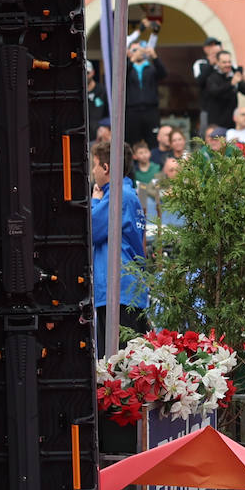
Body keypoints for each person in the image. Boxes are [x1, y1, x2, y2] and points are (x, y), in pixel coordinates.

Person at [90, 140, 148, 350]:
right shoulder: (126, 194)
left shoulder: (118, 195)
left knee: (117, 363)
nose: (93, 171)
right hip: (125, 290)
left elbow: (90, 229)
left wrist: (95, 200)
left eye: (95, 165)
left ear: (106, 168)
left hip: (118, 290)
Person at [123, 41, 166, 149]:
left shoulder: (150, 67)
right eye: (134, 50)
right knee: (132, 140)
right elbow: (121, 76)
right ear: (128, 52)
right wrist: (131, 60)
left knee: (153, 140)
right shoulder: (128, 67)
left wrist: (155, 57)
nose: (137, 53)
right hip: (132, 110)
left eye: (139, 50)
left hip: (150, 110)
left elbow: (163, 74)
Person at [203, 51, 245, 131]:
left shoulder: (234, 75)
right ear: (218, 63)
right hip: (217, 123)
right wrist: (231, 83)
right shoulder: (212, 77)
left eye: (229, 62)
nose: (227, 65)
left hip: (232, 124)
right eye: (224, 62)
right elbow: (215, 92)